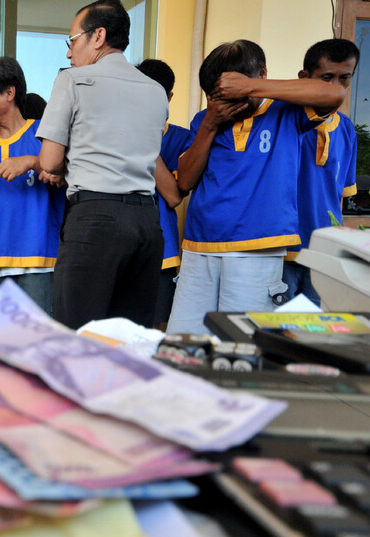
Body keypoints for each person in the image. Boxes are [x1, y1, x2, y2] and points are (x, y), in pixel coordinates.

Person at [166, 40, 344, 334]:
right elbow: (184, 182)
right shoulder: (206, 120)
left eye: (231, 96)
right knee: (183, 341)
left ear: (260, 75)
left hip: (257, 249)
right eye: (215, 97)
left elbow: (334, 93)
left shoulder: (287, 112)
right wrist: (210, 123)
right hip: (199, 245)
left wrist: (252, 87)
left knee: (241, 343)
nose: (224, 105)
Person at [37, 0, 169, 330]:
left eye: (72, 41)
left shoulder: (72, 80)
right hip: (146, 221)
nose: (69, 53)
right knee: (129, 337)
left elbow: (50, 162)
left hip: (95, 218)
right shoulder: (155, 91)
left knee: (78, 334)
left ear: (98, 36)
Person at [0, 56, 65, 316]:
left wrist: (34, 162)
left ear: (9, 92)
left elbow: (72, 178)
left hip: (39, 262)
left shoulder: (45, 137)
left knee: (37, 346)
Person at [284, 39, 360, 306]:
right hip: (282, 248)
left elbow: (339, 196)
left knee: (312, 334)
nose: (336, 87)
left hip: (323, 253)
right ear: (304, 77)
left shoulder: (347, 130)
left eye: (345, 78)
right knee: (274, 331)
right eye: (326, 78)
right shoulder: (286, 121)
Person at [137, 58, 190, 327]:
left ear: (168, 98)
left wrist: (142, 136)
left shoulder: (182, 139)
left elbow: (173, 195)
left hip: (162, 250)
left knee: (156, 331)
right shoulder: (109, 131)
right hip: (118, 246)